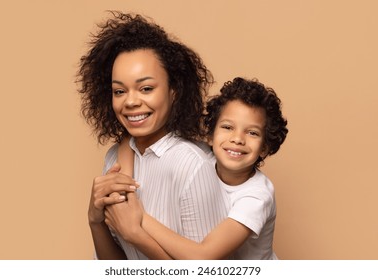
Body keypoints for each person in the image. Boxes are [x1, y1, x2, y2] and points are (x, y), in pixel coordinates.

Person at [76, 11, 229, 259]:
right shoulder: (116, 157)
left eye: (146, 88)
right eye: (119, 91)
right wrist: (95, 221)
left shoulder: (193, 165)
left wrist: (135, 233)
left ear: (174, 90)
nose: (131, 101)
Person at [108, 77, 288, 259]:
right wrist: (126, 182)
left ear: (264, 148)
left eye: (252, 133)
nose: (237, 139)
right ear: (210, 136)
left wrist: (140, 218)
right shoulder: (203, 156)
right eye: (227, 127)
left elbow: (203, 257)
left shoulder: (257, 196)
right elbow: (127, 140)